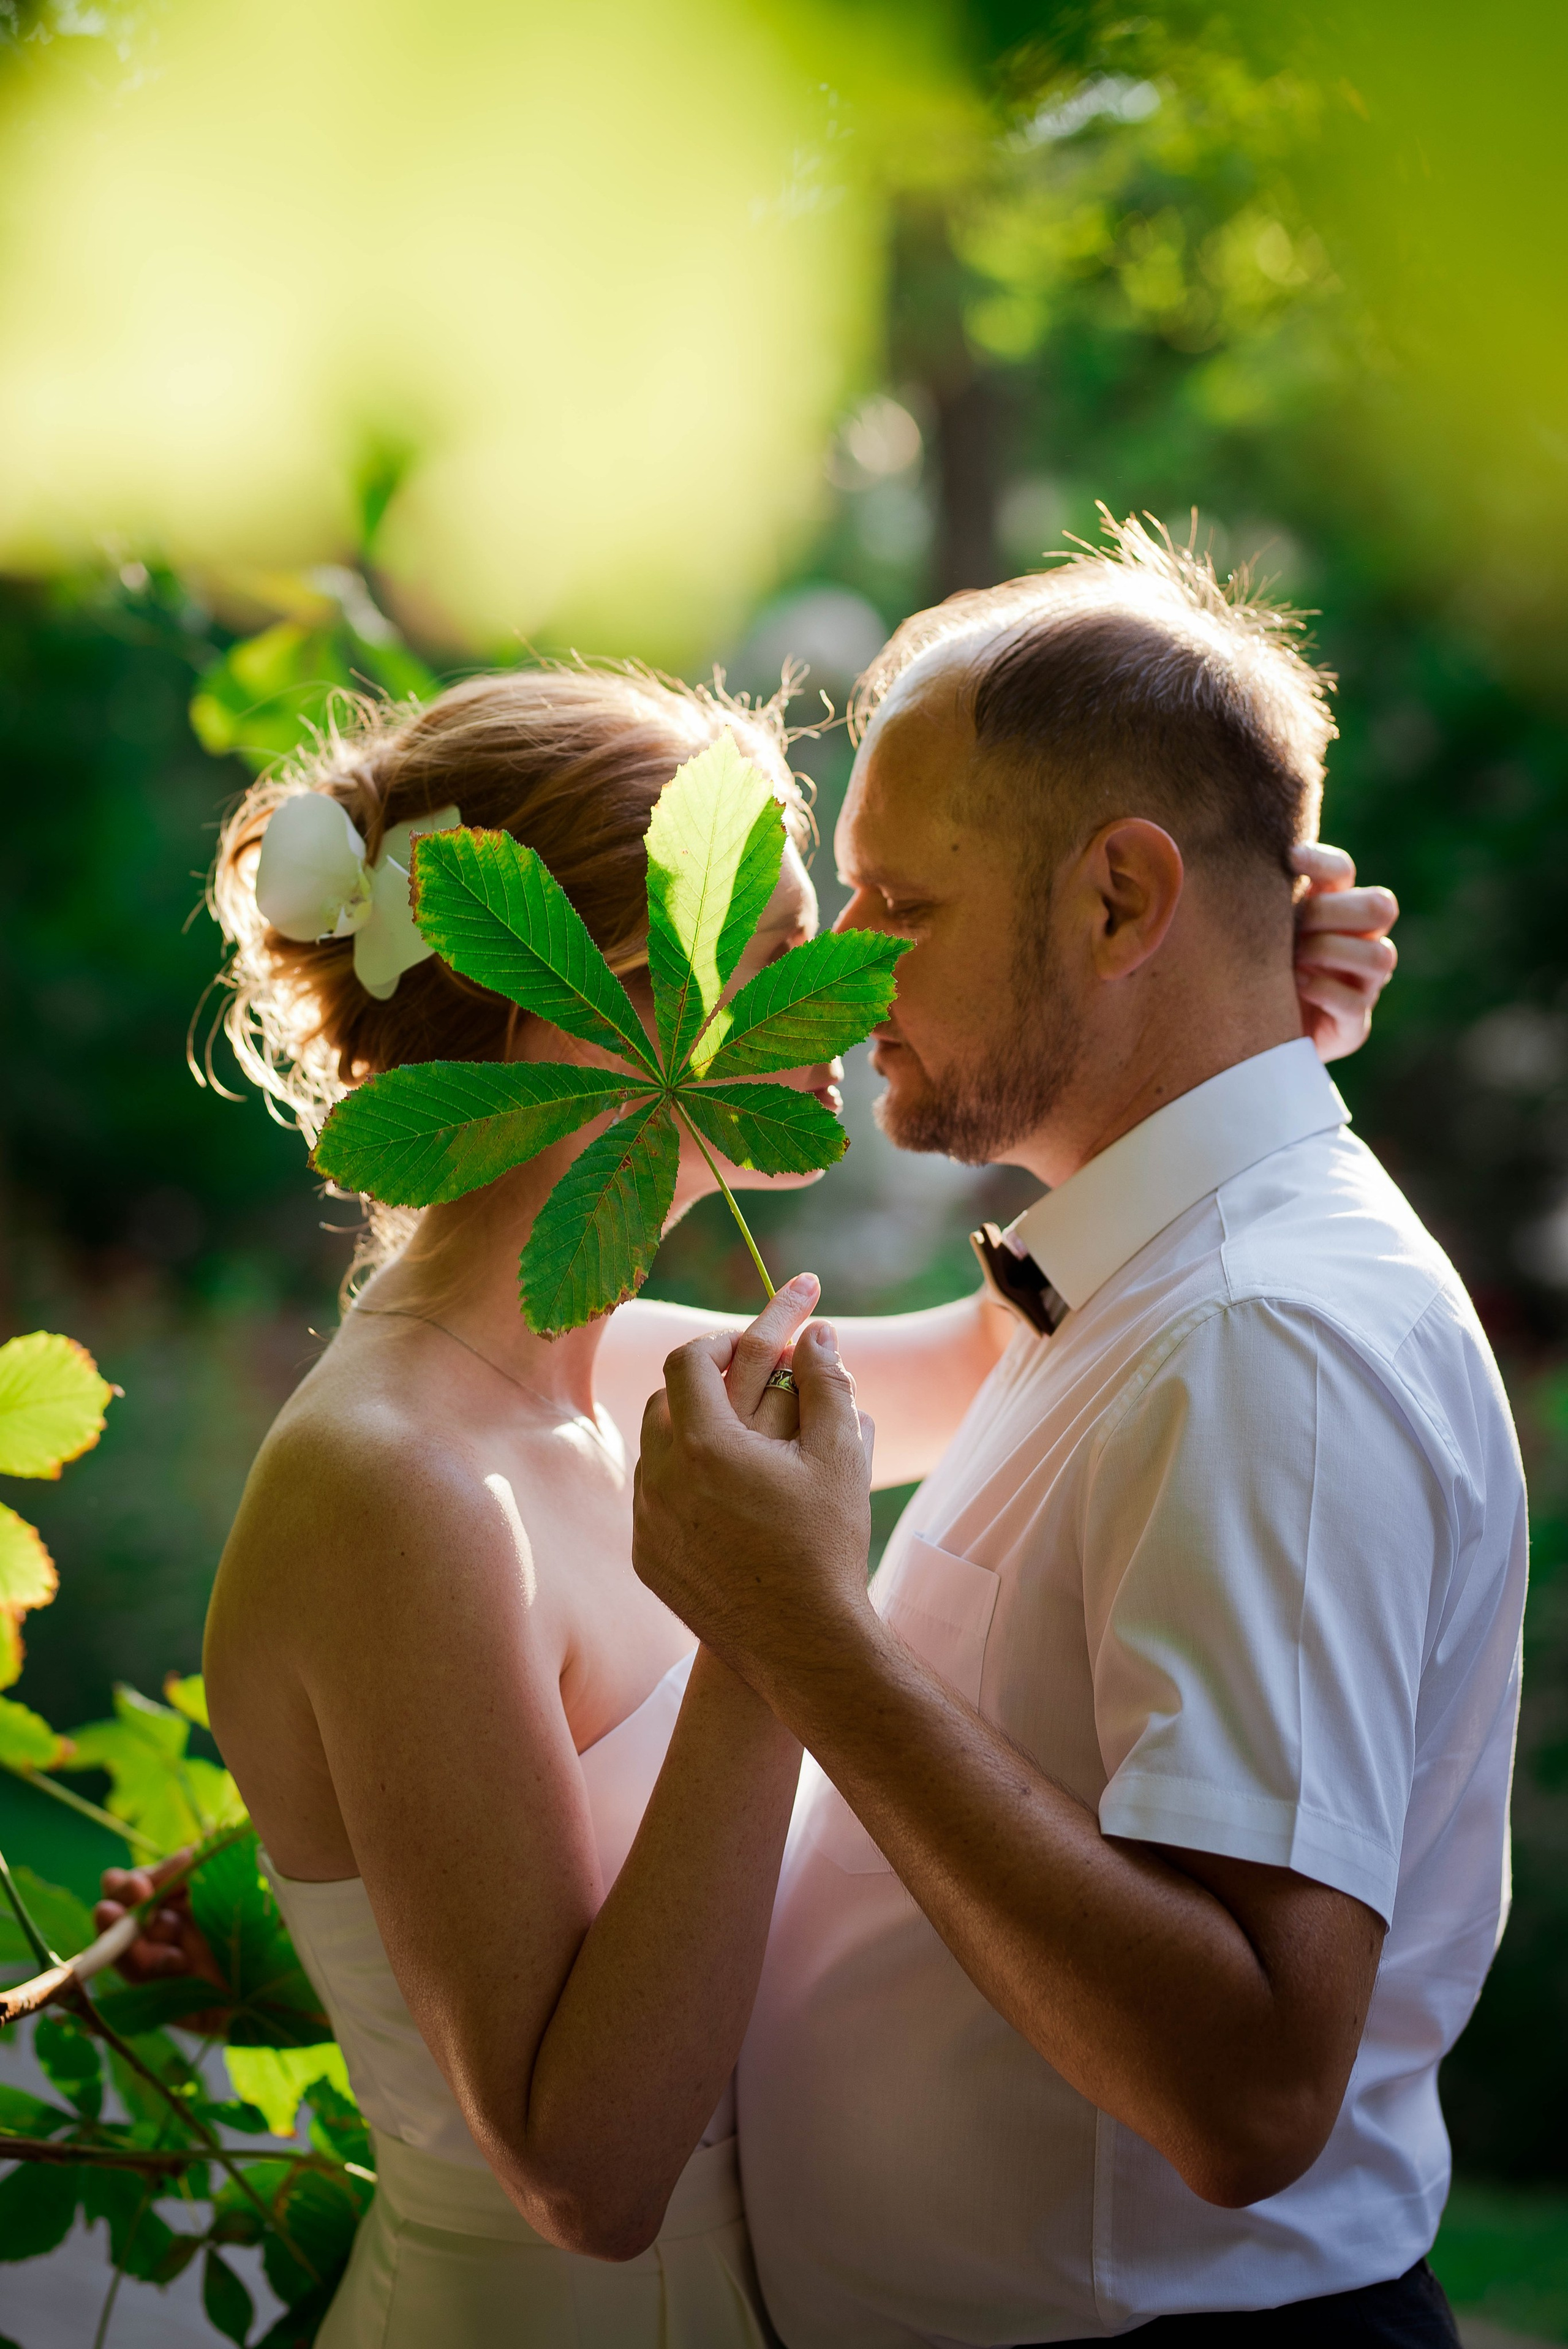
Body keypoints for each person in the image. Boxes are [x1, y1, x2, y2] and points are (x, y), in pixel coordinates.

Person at [96, 606, 1397, 2346]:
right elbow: (588, 2176)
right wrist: (766, 1632)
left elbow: (1015, 1335)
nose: (858, 986)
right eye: (786, 943)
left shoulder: (630, 1360)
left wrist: (1228, 1023)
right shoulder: (392, 1482)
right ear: (583, 997)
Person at [630, 520, 1524, 2347]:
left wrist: (803, 1633)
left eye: (898, 907)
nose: (844, 977)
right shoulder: (1136, 1271)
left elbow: (1251, 2093)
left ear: (1119, 902)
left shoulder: (1264, 1341)